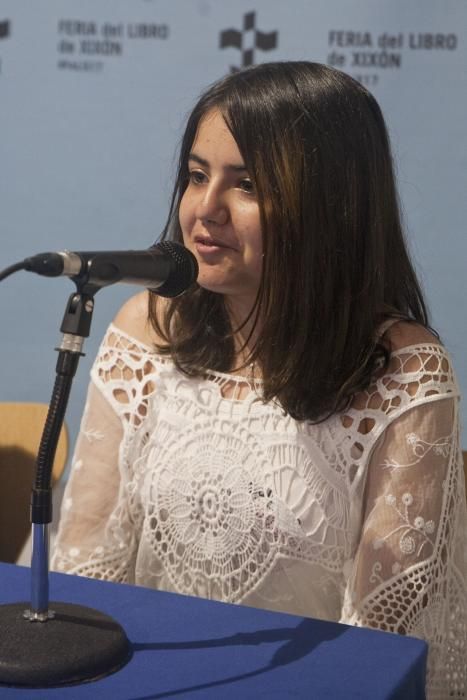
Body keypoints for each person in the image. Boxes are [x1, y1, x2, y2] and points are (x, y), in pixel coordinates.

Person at [51, 61, 466, 698]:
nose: (205, 209)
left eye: (246, 185)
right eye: (196, 176)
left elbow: (375, 639)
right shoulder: (146, 328)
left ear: (330, 206)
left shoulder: (405, 371)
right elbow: (87, 567)